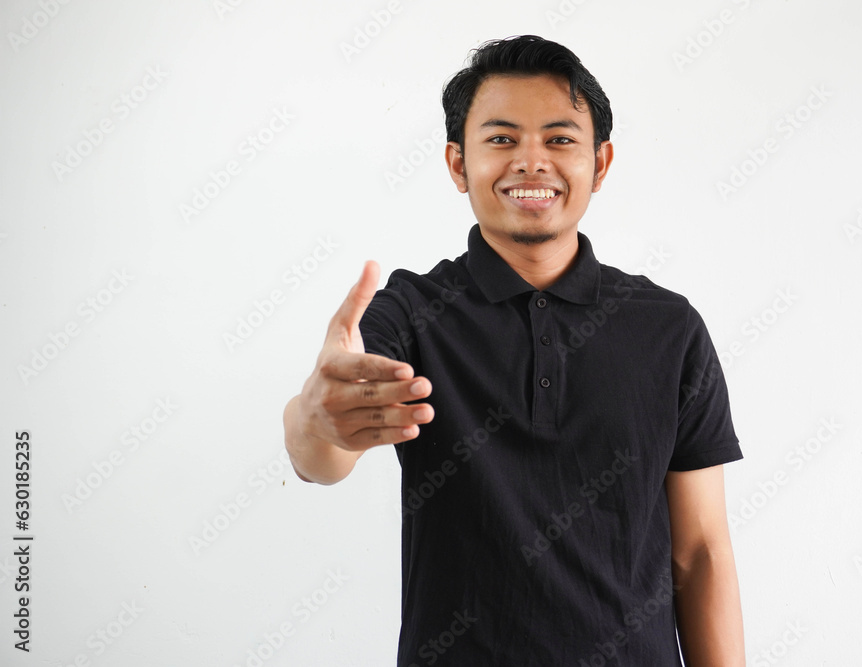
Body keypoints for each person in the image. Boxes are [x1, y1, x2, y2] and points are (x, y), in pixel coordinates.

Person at [283, 34, 746, 666]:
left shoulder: (670, 328)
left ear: (600, 164)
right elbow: (325, 454)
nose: (532, 162)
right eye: (501, 139)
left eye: (559, 139)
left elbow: (700, 554)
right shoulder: (412, 313)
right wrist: (312, 418)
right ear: (457, 164)